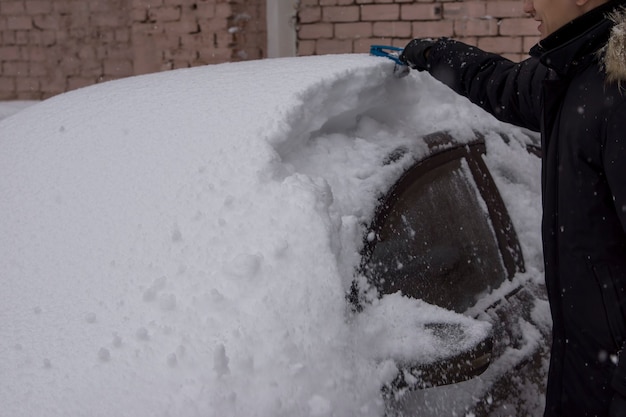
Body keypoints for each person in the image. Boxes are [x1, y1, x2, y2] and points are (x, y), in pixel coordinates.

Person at [399, 0, 626, 415]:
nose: (526, 6)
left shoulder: (617, 90)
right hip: (588, 367)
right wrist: (437, 54)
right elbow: (503, 85)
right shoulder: (577, 68)